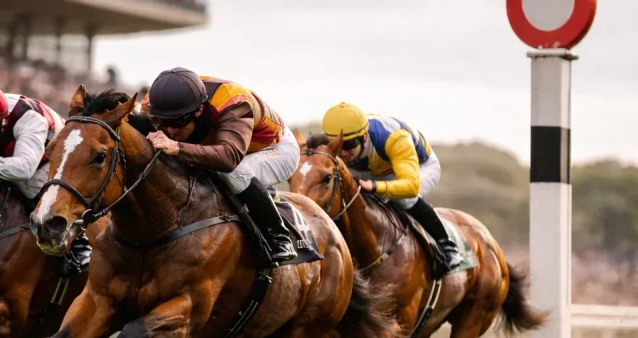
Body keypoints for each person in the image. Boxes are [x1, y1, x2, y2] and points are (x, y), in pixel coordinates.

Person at [142, 67, 300, 264]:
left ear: (199, 110)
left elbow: (228, 158)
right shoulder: (158, 101)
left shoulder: (234, 102)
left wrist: (177, 147)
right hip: (226, 146)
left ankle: (278, 236)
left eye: (179, 122)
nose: (171, 130)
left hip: (274, 149)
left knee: (234, 173)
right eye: (163, 122)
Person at [0, 84, 90, 272]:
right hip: (16, 154)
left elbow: (24, 168)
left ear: (2, 122)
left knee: (26, 188)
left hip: (48, 160)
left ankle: (78, 243)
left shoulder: (30, 120)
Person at [320, 102, 462, 275]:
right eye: (338, 146)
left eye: (349, 145)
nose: (343, 153)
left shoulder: (393, 138)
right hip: (372, 170)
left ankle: (447, 245)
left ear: (365, 137)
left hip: (417, 168)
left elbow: (410, 186)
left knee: (403, 198)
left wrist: (374, 186)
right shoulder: (336, 146)